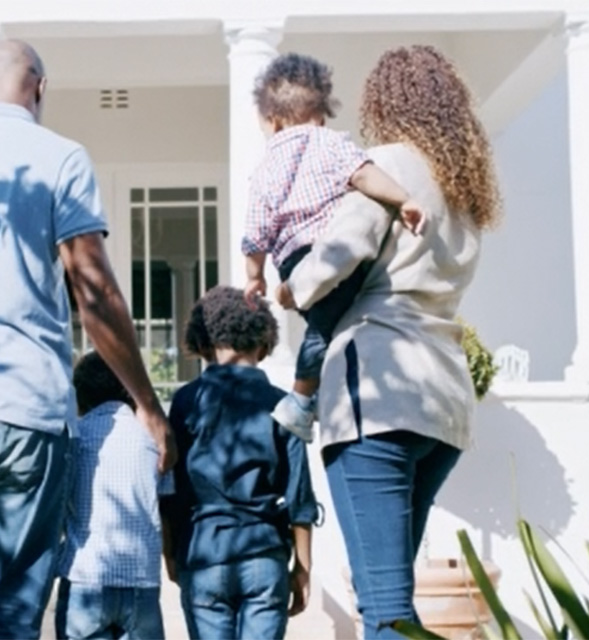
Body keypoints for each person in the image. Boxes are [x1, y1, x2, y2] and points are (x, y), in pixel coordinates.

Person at [0, 39, 177, 640]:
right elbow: (92, 292)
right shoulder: (60, 157)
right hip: (26, 413)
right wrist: (146, 404)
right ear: (40, 89)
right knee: (14, 613)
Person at [276, 45, 502, 639]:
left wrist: (292, 287)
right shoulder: (465, 186)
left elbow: (338, 253)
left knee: (384, 609)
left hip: (378, 395)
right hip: (444, 402)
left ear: (385, 103)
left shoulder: (389, 165)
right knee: (394, 595)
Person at [240, 52, 424, 444]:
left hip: (291, 260)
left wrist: (254, 277)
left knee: (322, 323)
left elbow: (256, 232)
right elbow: (364, 175)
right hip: (333, 252)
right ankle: (301, 399)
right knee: (327, 327)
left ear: (272, 121)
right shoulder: (331, 143)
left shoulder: (263, 169)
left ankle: (314, 384)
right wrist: (404, 198)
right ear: (321, 114)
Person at [160, 286, 319, 640]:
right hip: (264, 555)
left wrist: (169, 552)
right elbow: (299, 495)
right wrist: (303, 569)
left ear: (201, 344)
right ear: (264, 344)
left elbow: (170, 486)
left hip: (203, 553)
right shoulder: (282, 405)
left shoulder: (186, 402)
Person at [55, 351, 174, 640]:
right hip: (142, 580)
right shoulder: (156, 442)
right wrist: (171, 560)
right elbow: (165, 508)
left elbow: (55, 509)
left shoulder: (74, 438)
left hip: (85, 577)